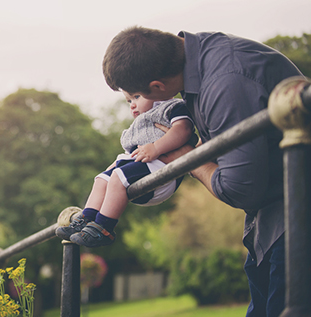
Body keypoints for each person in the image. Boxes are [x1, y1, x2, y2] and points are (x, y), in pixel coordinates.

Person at [101, 26, 303, 317]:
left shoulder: (225, 85)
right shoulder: (201, 55)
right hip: (272, 218)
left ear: (158, 87)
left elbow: (242, 189)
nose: (136, 107)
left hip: (296, 215)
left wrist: (189, 159)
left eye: (136, 97)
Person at [55, 93, 195, 247]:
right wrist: (111, 169)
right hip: (139, 168)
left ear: (156, 89)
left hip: (161, 171)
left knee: (117, 176)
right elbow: (130, 154)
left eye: (136, 97)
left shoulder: (173, 107)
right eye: (129, 101)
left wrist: (156, 147)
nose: (132, 105)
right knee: (101, 179)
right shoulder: (139, 124)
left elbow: (184, 130)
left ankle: (103, 228)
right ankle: (86, 219)